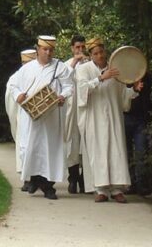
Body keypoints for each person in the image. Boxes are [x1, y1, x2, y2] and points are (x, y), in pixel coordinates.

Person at [76, 37, 142, 203]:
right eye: (95, 53)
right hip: (94, 118)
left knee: (115, 150)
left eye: (101, 52)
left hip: (113, 117)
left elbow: (122, 96)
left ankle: (117, 189)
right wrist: (100, 78)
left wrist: (133, 90)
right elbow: (82, 91)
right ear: (90, 55)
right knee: (98, 151)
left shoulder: (115, 70)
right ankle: (101, 189)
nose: (99, 56)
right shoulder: (84, 69)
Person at [8, 35, 73, 200]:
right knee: (32, 147)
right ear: (38, 49)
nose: (48, 53)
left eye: (51, 50)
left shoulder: (60, 67)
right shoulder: (27, 68)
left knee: (50, 149)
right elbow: (12, 84)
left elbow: (69, 86)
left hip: (51, 117)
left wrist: (62, 96)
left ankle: (48, 185)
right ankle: (34, 180)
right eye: (45, 49)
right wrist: (18, 95)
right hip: (31, 117)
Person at [5, 48, 36, 190]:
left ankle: (36, 177)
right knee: (24, 148)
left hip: (37, 120)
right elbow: (10, 102)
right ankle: (27, 178)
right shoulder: (15, 78)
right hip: (22, 119)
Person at [63, 34, 87, 194]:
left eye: (82, 47)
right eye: (77, 47)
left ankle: (85, 180)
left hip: (85, 110)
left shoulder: (90, 64)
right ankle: (72, 179)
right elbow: (63, 80)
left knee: (86, 144)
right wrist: (75, 62)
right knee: (72, 146)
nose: (80, 50)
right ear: (72, 48)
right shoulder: (66, 65)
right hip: (71, 111)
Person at [124, 72, 152, 196]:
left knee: (141, 152)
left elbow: (149, 98)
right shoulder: (121, 76)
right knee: (126, 153)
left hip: (141, 118)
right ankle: (131, 184)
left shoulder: (146, 77)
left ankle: (142, 184)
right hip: (125, 117)